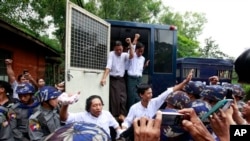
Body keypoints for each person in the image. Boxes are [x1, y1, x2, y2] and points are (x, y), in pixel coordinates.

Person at [121, 69, 193, 130]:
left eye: (151, 93)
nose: (151, 95)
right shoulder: (134, 108)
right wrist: (123, 128)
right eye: (148, 93)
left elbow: (169, 91)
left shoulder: (154, 103)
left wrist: (185, 82)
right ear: (141, 95)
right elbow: (127, 122)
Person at [100, 40, 134, 119]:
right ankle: (115, 116)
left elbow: (132, 56)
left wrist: (130, 43)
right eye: (117, 50)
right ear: (114, 49)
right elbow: (108, 66)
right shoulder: (111, 54)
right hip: (113, 79)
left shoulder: (124, 54)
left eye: (120, 50)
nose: (119, 51)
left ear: (123, 48)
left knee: (123, 97)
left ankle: (122, 114)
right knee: (115, 98)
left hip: (121, 79)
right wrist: (104, 78)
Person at [126, 35, 149, 110]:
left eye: (142, 51)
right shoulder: (132, 55)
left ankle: (138, 113)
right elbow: (132, 46)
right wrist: (135, 38)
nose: (140, 53)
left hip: (139, 79)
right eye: (139, 51)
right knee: (131, 97)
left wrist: (145, 66)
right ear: (136, 50)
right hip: (131, 79)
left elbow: (140, 69)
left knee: (139, 96)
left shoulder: (143, 58)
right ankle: (130, 113)